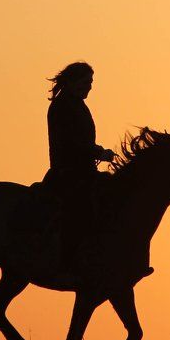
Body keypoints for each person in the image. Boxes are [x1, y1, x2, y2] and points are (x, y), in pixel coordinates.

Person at [41, 62, 115, 270]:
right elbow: (72, 141)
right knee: (81, 209)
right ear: (73, 82)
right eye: (86, 82)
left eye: (91, 82)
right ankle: (69, 259)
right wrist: (99, 152)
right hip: (68, 172)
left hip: (84, 170)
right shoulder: (63, 105)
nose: (89, 87)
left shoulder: (76, 104)